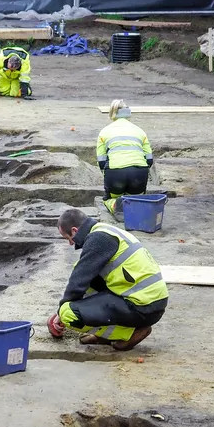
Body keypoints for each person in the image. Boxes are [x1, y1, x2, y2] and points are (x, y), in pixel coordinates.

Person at [47, 208, 168, 351]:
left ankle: (129, 334)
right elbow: (84, 281)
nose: (71, 244)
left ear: (74, 230)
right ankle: (106, 335)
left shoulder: (98, 239)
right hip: (150, 302)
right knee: (85, 284)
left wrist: (60, 311)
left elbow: (78, 281)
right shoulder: (106, 231)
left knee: (68, 314)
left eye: (68, 238)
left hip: (142, 307)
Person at [97, 99, 153, 216]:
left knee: (109, 199)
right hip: (139, 172)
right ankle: (135, 207)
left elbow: (101, 162)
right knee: (136, 200)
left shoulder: (104, 132)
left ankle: (115, 205)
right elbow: (149, 160)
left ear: (112, 113)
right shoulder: (140, 131)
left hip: (116, 173)